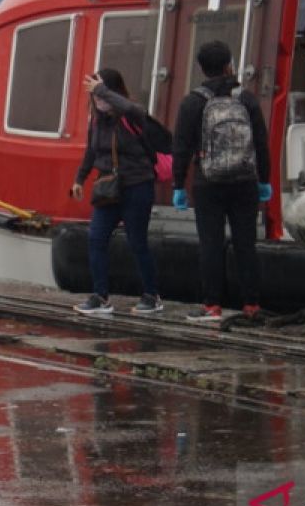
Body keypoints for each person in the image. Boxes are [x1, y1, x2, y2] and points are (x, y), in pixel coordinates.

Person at [172, 41, 272, 322]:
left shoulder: (192, 102)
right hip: (245, 181)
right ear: (230, 65)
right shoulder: (247, 99)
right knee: (246, 244)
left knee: (211, 244)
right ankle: (251, 304)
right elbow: (261, 143)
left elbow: (181, 148)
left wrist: (178, 185)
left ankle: (212, 305)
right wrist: (264, 180)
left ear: (202, 69)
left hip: (208, 183)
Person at [70, 68, 162, 315]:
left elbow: (132, 109)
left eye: (102, 95)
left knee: (137, 241)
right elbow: (91, 151)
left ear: (112, 92)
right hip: (108, 187)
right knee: (96, 238)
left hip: (137, 184)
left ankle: (152, 294)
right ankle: (100, 296)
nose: (98, 100)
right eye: (94, 96)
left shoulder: (130, 115)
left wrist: (104, 92)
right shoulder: (96, 120)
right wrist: (80, 179)